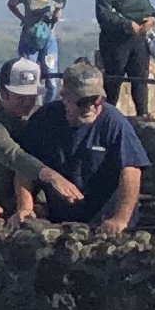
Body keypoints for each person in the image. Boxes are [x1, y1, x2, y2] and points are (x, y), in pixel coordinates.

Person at [0, 58, 84, 222]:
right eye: (20, 97)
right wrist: (52, 176)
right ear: (4, 94)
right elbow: (14, 156)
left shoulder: (33, 122)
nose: (27, 103)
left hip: (7, 203)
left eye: (31, 97)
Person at [19, 64, 148, 233]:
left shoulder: (114, 122)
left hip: (105, 225)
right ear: (64, 97)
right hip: (59, 222)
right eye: (84, 101)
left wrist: (120, 218)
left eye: (97, 100)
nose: (92, 106)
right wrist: (25, 207)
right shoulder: (44, 119)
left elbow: (131, 170)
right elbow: (24, 164)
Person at [94, 0, 155, 116]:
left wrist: (152, 20)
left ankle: (142, 115)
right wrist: (128, 24)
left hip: (139, 41)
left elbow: (149, 9)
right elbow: (105, 16)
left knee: (140, 80)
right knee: (113, 81)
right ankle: (106, 115)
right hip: (116, 44)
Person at [7, 0, 65, 84]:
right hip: (30, 38)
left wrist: (58, 10)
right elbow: (11, 4)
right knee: (29, 73)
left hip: (48, 36)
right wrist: (22, 18)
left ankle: (50, 96)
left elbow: (56, 18)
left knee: (51, 74)